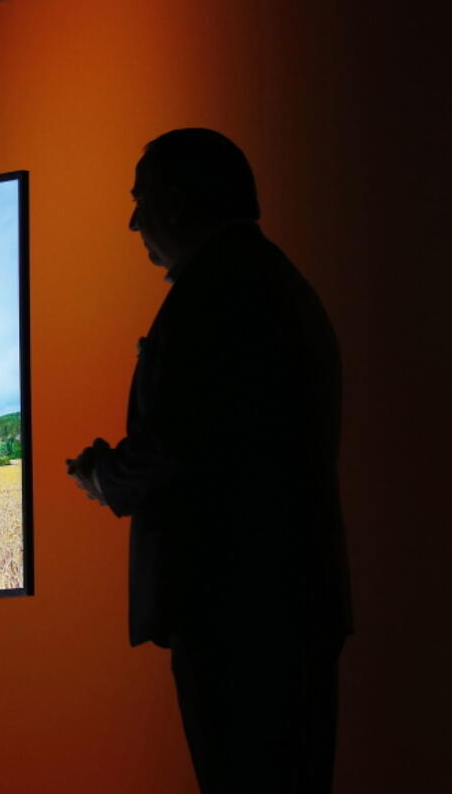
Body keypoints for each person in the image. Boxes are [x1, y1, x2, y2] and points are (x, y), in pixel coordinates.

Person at [67, 129, 353, 794]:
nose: (133, 221)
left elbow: (178, 437)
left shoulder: (220, 293)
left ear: (179, 200)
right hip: (280, 606)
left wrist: (104, 477)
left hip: (242, 616)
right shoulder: (264, 279)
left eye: (142, 200)